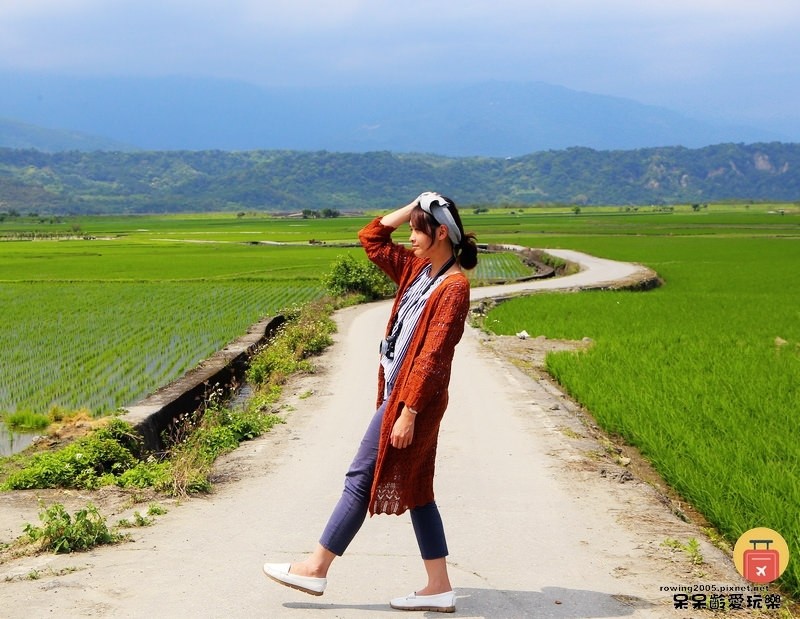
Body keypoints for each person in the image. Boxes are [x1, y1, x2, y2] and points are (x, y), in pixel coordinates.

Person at [263, 192, 478, 613]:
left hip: (413, 402)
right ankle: (439, 586)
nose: (411, 237)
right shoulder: (418, 269)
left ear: (440, 233)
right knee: (418, 491)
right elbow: (372, 239)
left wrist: (408, 413)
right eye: (412, 228)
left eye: (418, 229)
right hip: (400, 397)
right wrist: (415, 203)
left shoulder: (453, 288)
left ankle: (316, 567)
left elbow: (434, 358)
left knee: (361, 475)